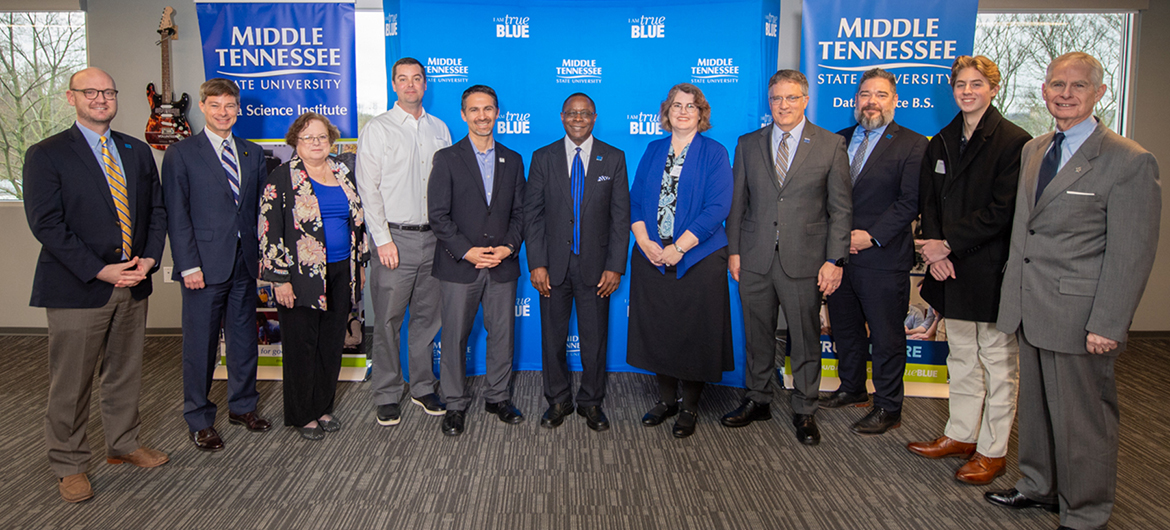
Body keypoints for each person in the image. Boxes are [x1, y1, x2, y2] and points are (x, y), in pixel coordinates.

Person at [986, 52, 1161, 530]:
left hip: (1082, 316)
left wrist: (1109, 323)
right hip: (1032, 306)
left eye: (1077, 86)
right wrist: (1012, 302)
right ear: (1043, 90)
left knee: (1084, 421)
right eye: (1056, 84)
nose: (1065, 93)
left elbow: (1132, 254)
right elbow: (1026, 233)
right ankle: (1039, 486)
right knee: (1038, 410)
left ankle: (1085, 511)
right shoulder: (1035, 149)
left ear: (1099, 93)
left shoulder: (1128, 160)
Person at [24, 67, 169, 503]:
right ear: (72, 98)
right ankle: (68, 463)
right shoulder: (47, 153)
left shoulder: (136, 150)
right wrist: (99, 269)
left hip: (133, 281)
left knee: (124, 372)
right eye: (90, 92)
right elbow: (47, 224)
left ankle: (122, 443)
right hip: (79, 286)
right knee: (72, 382)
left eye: (107, 91)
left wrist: (148, 256)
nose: (101, 98)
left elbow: (156, 210)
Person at [908, 56, 1032, 485]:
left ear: (993, 88)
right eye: (960, 84)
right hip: (949, 270)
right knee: (961, 359)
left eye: (976, 84)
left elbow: (1003, 210)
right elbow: (929, 202)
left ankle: (992, 451)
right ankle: (960, 435)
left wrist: (949, 244)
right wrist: (935, 254)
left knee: (998, 364)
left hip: (990, 270)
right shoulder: (942, 139)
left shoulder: (1015, 142)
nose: (967, 91)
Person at [722, 69, 851, 446]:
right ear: (769, 101)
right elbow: (737, 204)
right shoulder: (748, 144)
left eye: (791, 98)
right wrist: (734, 251)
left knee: (805, 337)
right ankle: (758, 398)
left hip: (806, 260)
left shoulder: (829, 145)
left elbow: (841, 210)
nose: (783, 105)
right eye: (777, 98)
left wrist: (835, 260)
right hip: (754, 258)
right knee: (757, 334)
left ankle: (805, 409)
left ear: (805, 100)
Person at [162, 78, 271, 452]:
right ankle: (199, 418)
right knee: (200, 346)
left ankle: (243, 407)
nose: (224, 113)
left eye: (230, 106)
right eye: (216, 106)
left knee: (244, 342)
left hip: (244, 263)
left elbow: (256, 211)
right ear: (204, 108)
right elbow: (176, 214)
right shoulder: (182, 153)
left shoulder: (251, 153)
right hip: (203, 267)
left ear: (238, 109)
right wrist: (188, 265)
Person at [820, 68, 927, 435]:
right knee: (845, 328)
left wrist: (872, 236)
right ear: (856, 101)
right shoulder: (838, 139)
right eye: (865, 94)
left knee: (886, 336)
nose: (871, 102)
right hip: (839, 256)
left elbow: (910, 201)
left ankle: (888, 406)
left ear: (894, 101)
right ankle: (852, 389)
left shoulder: (914, 144)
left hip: (881, 256)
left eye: (880, 94)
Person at [627, 83, 733, 439]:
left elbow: (718, 208)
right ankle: (666, 400)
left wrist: (680, 248)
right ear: (666, 112)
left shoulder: (715, 152)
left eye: (691, 106)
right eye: (676, 105)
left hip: (698, 257)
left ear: (701, 114)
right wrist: (644, 241)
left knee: (693, 333)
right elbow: (636, 200)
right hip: (653, 255)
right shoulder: (654, 149)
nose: (683, 111)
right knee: (660, 330)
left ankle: (689, 407)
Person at [259, 112, 369, 441]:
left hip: (340, 272)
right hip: (300, 276)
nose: (316, 143)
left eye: (322, 137)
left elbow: (357, 222)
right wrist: (280, 280)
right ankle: (301, 414)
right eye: (308, 138)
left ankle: (322, 406)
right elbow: (269, 231)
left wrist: (360, 264)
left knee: (330, 343)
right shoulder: (282, 178)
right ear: (296, 142)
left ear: (331, 140)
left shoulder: (342, 172)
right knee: (301, 345)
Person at [525, 93, 629, 432]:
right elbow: (533, 216)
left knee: (594, 339)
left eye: (585, 113)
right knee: (552, 338)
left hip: (597, 269)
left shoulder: (613, 158)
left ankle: (591, 402)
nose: (578, 118)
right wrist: (536, 263)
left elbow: (620, 218)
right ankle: (557, 400)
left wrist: (615, 266)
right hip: (552, 267)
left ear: (595, 117)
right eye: (572, 113)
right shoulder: (543, 158)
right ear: (562, 116)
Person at [356, 57, 452, 426]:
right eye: (403, 79)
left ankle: (422, 386)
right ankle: (386, 391)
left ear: (425, 84)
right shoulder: (378, 129)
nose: (410, 85)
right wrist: (382, 240)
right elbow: (369, 188)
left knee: (428, 319)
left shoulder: (440, 129)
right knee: (388, 321)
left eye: (417, 79)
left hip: (435, 238)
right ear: (393, 85)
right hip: (394, 239)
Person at [428, 85, 526, 437]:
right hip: (460, 264)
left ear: (497, 113)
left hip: (501, 265)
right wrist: (467, 250)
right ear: (463, 114)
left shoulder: (513, 160)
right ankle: (454, 404)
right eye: (474, 110)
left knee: (502, 334)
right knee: (454, 336)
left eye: (488, 109)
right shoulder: (447, 158)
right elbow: (438, 215)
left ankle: (497, 397)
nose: (482, 116)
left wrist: (509, 247)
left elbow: (521, 213)